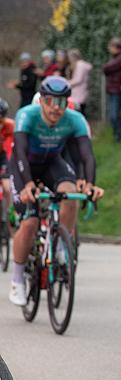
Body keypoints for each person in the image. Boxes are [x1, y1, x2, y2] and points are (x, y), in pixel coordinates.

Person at [7, 77, 97, 305]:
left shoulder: (75, 119)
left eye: (62, 102)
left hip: (50, 164)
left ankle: (59, 246)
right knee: (30, 222)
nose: (56, 108)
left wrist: (88, 182)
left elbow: (86, 155)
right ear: (42, 101)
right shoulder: (27, 115)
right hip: (23, 166)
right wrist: (28, 184)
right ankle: (17, 279)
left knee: (70, 194)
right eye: (50, 101)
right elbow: (19, 153)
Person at [103, 38, 121, 141]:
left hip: (117, 90)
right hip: (112, 90)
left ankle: (119, 135)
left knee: (115, 114)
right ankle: (117, 135)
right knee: (113, 114)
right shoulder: (116, 57)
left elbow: (107, 68)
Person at [67, 49, 92, 115]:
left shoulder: (80, 65)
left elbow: (78, 79)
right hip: (80, 92)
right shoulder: (81, 65)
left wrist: (67, 83)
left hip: (79, 93)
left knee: (79, 111)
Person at [0, 99, 14, 212]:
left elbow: (10, 148)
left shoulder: (10, 126)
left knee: (7, 187)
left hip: (3, 157)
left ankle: (9, 211)